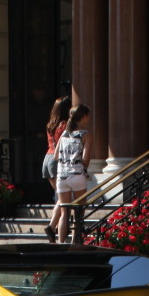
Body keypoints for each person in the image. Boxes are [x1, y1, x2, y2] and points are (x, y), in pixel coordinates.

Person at [52, 104, 92, 245]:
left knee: (64, 212)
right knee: (79, 211)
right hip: (77, 174)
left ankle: (61, 242)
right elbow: (86, 160)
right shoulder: (85, 135)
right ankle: (76, 241)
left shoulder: (64, 133)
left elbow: (56, 155)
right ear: (84, 116)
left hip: (61, 175)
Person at [41, 95, 71, 242]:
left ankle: (56, 232)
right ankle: (52, 227)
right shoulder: (64, 125)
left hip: (47, 159)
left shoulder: (50, 124)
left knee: (60, 198)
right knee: (63, 199)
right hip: (56, 160)